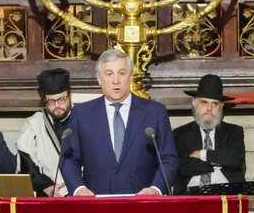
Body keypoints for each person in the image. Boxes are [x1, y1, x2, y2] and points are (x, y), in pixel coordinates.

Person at [60, 49, 178, 196]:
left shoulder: (154, 112)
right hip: (95, 204)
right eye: (109, 74)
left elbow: (168, 158)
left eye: (122, 73)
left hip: (143, 203)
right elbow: (69, 159)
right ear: (99, 78)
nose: (116, 81)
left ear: (130, 77)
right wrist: (78, 189)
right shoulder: (81, 114)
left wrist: (156, 188)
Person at [172, 74, 245, 194]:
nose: (209, 108)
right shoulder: (180, 134)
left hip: (227, 194)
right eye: (204, 102)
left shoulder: (234, 132)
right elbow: (183, 167)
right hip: (190, 195)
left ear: (221, 106)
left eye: (214, 104)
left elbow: (236, 159)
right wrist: (218, 162)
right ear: (194, 103)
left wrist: (202, 154)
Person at [16, 68, 73, 197]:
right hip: (49, 195)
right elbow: (27, 166)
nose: (57, 106)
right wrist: (46, 186)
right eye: (51, 101)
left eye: (62, 99)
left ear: (70, 96)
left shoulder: (83, 118)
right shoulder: (34, 124)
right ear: (44, 101)